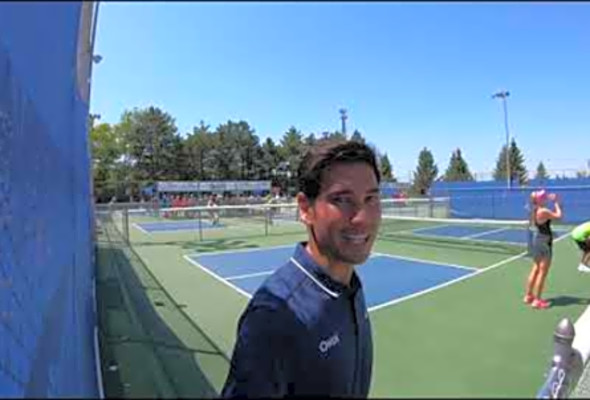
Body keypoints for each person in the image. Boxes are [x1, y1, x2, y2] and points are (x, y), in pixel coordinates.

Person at [221, 140, 381, 397]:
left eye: (371, 198)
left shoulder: (351, 285)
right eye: (342, 199)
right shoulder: (274, 317)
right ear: (306, 209)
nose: (362, 218)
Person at [523, 189, 562, 309]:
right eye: (542, 197)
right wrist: (556, 202)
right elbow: (559, 216)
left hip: (537, 239)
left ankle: (528, 296)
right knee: (542, 272)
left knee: (535, 268)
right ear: (538, 200)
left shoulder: (534, 210)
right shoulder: (543, 211)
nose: (544, 197)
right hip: (545, 242)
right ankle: (537, 300)